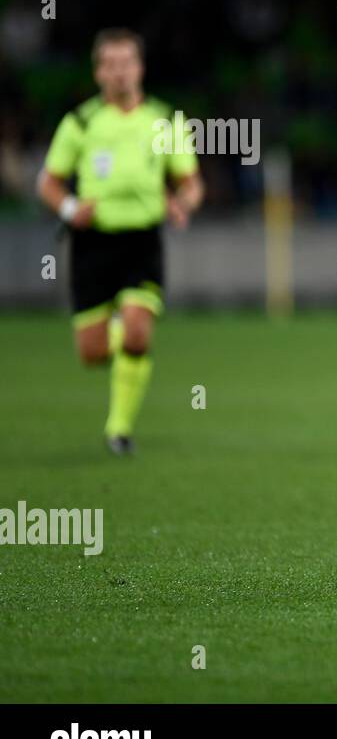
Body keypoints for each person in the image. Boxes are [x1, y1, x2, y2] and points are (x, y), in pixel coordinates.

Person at [36, 28, 203, 455]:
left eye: (127, 62)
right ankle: (114, 332)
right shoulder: (81, 122)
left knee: (138, 334)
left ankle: (119, 429)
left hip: (142, 240)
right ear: (98, 72)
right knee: (92, 353)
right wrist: (71, 209)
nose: (120, 72)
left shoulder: (165, 120)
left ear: (141, 68)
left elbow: (191, 182)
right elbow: (49, 184)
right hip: (93, 243)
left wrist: (182, 202)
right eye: (110, 64)